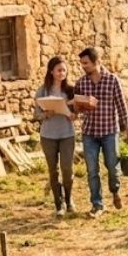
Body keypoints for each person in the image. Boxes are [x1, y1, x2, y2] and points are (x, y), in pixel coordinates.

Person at [74, 46, 128, 217]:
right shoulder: (81, 83)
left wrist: (127, 130)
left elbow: (122, 106)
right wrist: (80, 106)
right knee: (92, 170)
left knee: (112, 167)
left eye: (86, 63)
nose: (83, 67)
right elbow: (76, 107)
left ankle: (115, 191)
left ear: (97, 62)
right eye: (82, 64)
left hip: (109, 131)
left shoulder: (112, 80)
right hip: (89, 132)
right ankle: (97, 204)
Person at [34, 56, 77, 217]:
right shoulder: (42, 91)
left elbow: (76, 111)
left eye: (64, 70)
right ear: (51, 71)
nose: (62, 73)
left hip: (67, 133)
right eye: (59, 70)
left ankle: (69, 199)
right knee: (53, 170)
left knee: (67, 168)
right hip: (48, 135)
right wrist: (46, 114)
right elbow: (36, 114)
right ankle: (59, 204)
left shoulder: (71, 90)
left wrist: (72, 115)